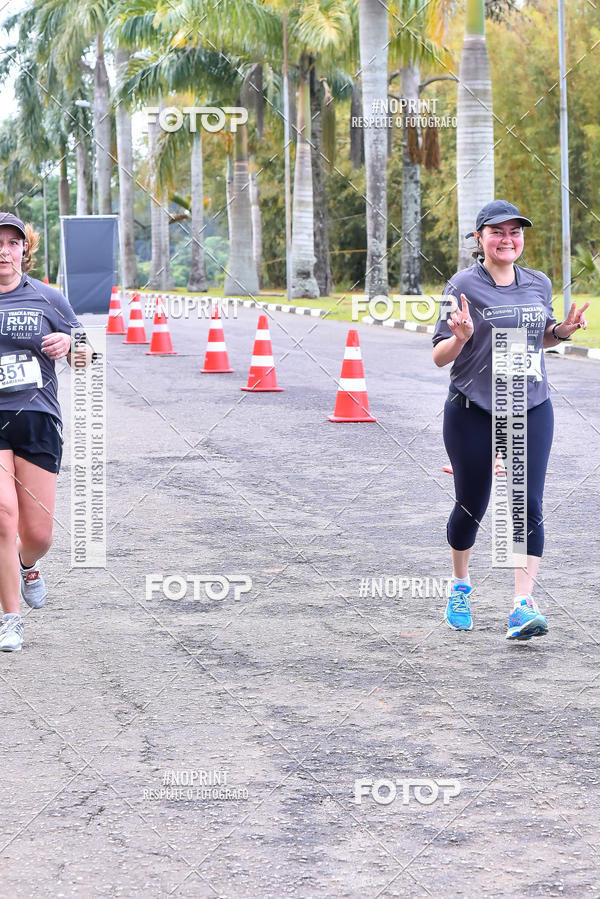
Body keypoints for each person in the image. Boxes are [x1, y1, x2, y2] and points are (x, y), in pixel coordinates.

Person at [432, 200, 589, 640]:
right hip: (472, 410)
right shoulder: (462, 284)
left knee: (528, 504)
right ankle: (460, 586)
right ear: (480, 239)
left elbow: (540, 335)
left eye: (515, 232)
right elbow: (438, 356)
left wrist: (562, 332)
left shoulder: (538, 282)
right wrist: (461, 337)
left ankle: (522, 605)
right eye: (497, 232)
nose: (507, 239)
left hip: (530, 405)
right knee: (472, 506)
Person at [0, 212, 91, 652]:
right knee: (3, 515)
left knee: (38, 535)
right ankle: (10, 618)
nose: (3, 250)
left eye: (12, 243)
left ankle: (26, 564)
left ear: (24, 250)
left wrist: (71, 345)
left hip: (38, 420)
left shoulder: (48, 299)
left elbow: (88, 357)